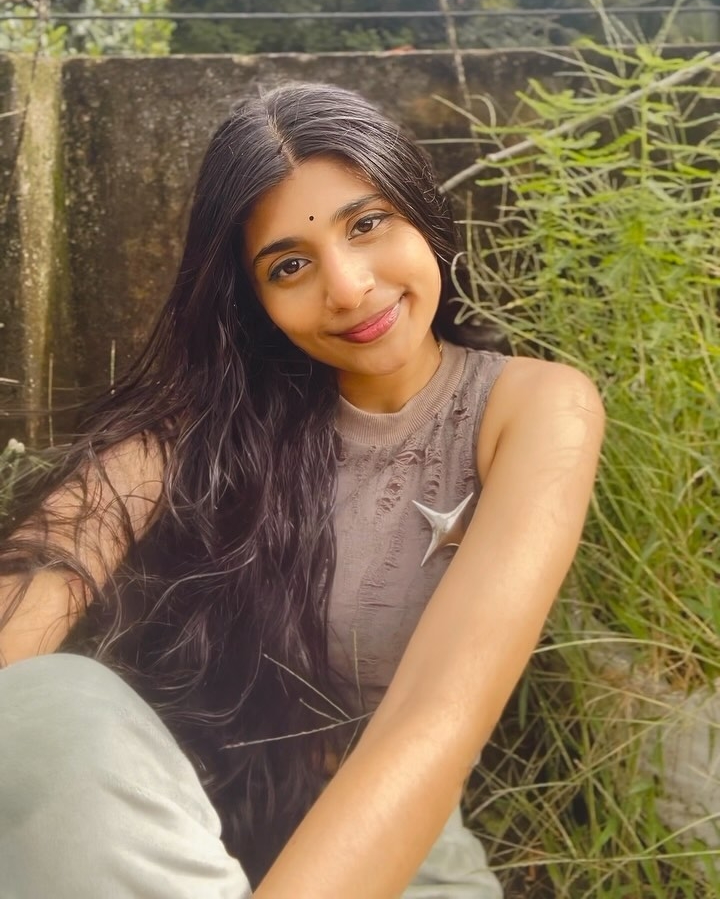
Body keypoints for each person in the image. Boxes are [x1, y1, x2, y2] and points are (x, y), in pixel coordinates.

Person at [0, 82, 605, 899]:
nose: (348, 287)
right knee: (44, 703)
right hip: (166, 832)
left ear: (420, 211)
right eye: (290, 265)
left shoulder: (532, 408)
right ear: (255, 301)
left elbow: (433, 721)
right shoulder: (202, 431)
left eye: (367, 224)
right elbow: (47, 567)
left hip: (387, 846)